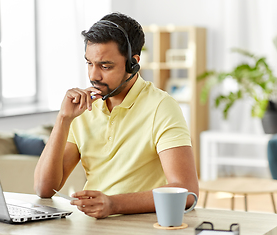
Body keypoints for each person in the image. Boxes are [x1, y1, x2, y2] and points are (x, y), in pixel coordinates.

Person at [34, 12, 199, 219]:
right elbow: (44, 188)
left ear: (133, 62)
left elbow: (187, 193)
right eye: (89, 63)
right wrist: (63, 119)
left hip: (141, 228)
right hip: (92, 227)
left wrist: (114, 204)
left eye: (105, 66)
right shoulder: (83, 109)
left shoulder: (162, 107)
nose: (94, 75)